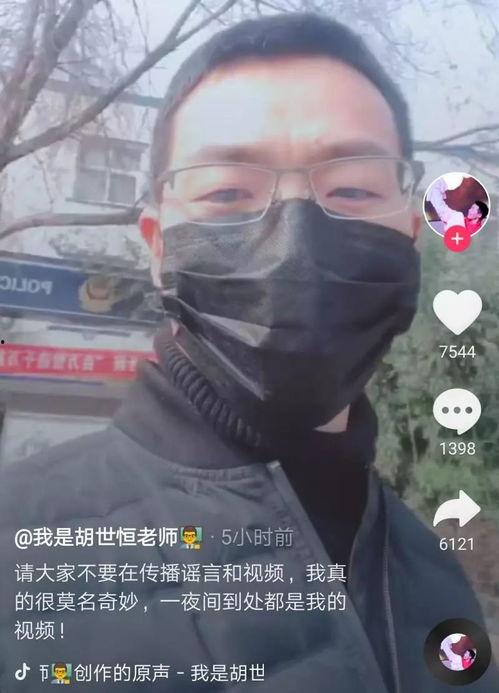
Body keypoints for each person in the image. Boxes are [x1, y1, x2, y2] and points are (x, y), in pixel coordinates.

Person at [0, 12, 497, 693]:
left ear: (411, 234)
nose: (294, 244)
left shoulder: (433, 575)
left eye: (352, 189)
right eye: (227, 192)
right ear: (158, 247)